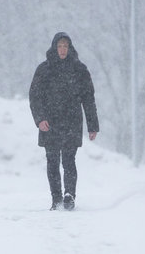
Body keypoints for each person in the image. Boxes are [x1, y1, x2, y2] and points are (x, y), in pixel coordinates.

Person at [29, 32, 99, 211]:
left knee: (69, 160)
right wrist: (40, 119)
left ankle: (69, 196)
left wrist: (93, 126)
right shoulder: (44, 69)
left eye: (65, 46)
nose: (62, 50)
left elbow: (88, 98)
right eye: (59, 46)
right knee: (52, 161)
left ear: (70, 48)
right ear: (54, 47)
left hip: (71, 121)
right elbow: (34, 97)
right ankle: (56, 198)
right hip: (49, 123)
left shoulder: (79, 70)